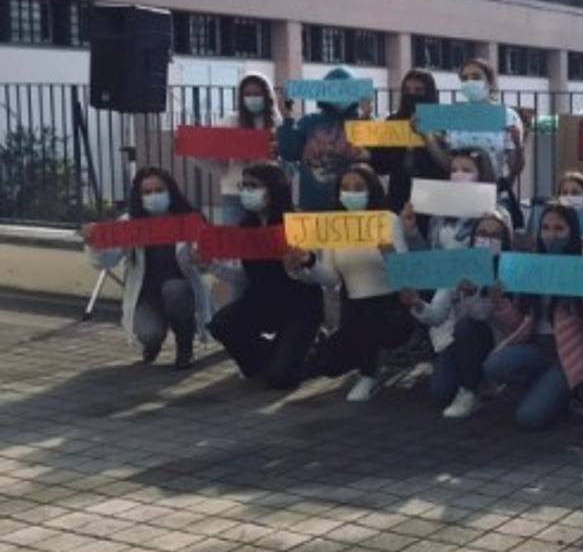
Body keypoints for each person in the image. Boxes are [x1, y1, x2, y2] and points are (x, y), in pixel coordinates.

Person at [283, 165, 412, 402]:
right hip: (354, 308)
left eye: (358, 188)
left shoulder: (387, 220)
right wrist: (307, 262)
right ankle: (364, 364)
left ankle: (369, 375)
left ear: (371, 191)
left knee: (367, 322)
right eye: (345, 188)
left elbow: (405, 276)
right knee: (327, 363)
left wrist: (389, 255)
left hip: (390, 308)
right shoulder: (336, 226)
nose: (351, 193)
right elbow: (331, 279)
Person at [479, 204, 583, 429]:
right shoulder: (531, 264)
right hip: (538, 348)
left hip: (569, 355)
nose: (551, 235)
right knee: (493, 366)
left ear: (572, 231)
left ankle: (578, 386)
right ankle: (547, 386)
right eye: (546, 228)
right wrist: (501, 303)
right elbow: (519, 325)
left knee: (529, 418)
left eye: (559, 228)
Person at [204, 164, 323, 389]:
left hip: (301, 305)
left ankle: (305, 354)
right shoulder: (245, 227)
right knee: (222, 324)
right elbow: (242, 277)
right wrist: (211, 265)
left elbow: (325, 278)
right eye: (244, 186)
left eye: (254, 186)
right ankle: (279, 357)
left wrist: (302, 264)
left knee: (280, 379)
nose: (247, 191)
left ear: (274, 189)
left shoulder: (297, 223)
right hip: (263, 301)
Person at [82, 167, 211, 369]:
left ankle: (185, 345)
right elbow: (105, 261)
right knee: (148, 334)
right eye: (147, 192)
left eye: (159, 190)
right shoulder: (130, 223)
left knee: (174, 291)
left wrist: (201, 257)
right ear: (139, 196)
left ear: (170, 190)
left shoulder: (188, 220)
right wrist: (94, 243)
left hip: (180, 290)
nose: (154, 196)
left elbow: (207, 263)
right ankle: (153, 343)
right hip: (147, 295)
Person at [401, 208, 515, 418]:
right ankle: (475, 380)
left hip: (497, 341)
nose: (487, 240)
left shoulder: (512, 269)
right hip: (461, 341)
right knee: (440, 391)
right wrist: (417, 304)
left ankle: (469, 391)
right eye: (482, 234)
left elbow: (482, 317)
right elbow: (437, 315)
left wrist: (477, 296)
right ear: (473, 237)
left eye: (495, 236)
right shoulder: (460, 265)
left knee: (466, 327)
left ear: (505, 240)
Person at [276, 67, 366, 211]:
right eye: (333, 90)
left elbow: (378, 161)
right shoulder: (309, 122)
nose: (339, 95)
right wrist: (287, 118)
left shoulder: (364, 124)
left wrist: (367, 117)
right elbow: (288, 152)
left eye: (344, 90)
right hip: (314, 208)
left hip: (355, 207)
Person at [369, 68, 450, 217]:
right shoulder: (392, 122)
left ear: (430, 93)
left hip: (433, 198)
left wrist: (428, 138)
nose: (411, 95)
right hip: (398, 198)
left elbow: (448, 166)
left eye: (419, 91)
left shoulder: (443, 123)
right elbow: (380, 165)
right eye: (407, 90)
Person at [210, 73, 285, 225]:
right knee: (235, 242)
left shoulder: (278, 124)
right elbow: (215, 158)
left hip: (269, 194)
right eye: (248, 94)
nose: (252, 98)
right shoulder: (229, 122)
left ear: (267, 95)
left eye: (257, 94)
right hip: (235, 193)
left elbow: (285, 162)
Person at [454, 58, 525, 186]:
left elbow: (515, 168)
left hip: (490, 191)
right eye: (465, 78)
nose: (469, 82)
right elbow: (444, 159)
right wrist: (427, 136)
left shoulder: (507, 116)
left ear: (490, 82)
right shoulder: (453, 115)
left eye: (476, 77)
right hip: (455, 189)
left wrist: (518, 145)